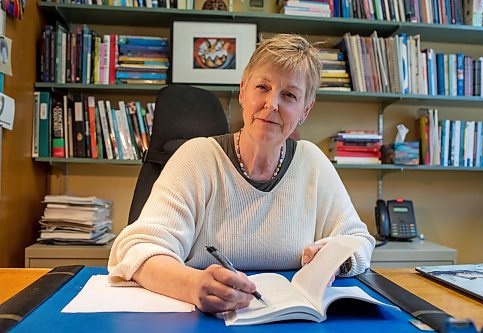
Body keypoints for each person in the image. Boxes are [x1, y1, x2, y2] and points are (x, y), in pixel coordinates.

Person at [108, 34, 375, 313]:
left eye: (289, 95)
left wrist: (334, 258)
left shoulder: (312, 162)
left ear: (305, 111)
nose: (272, 103)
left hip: (292, 318)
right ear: (243, 92)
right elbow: (136, 247)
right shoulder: (196, 157)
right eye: (263, 87)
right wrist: (191, 284)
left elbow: (358, 240)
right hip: (203, 318)